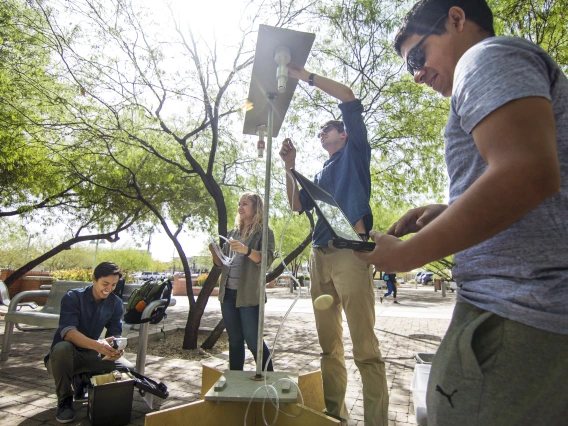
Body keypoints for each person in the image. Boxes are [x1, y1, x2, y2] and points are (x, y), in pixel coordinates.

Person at [356, 0, 568, 424]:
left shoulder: (485, 56)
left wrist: (406, 255)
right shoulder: (503, 66)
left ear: (456, 19)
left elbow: (526, 173)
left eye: (418, 55)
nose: (417, 74)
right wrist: (450, 210)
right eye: (409, 67)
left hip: (513, 314)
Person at [279, 63, 388, 425]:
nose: (322, 134)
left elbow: (347, 96)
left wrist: (302, 75)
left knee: (365, 350)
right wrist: (290, 168)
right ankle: (334, 416)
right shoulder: (322, 174)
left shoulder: (356, 152)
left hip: (349, 254)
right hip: (319, 258)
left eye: (328, 130)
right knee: (330, 348)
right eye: (320, 132)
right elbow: (296, 205)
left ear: (343, 135)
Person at [45, 262, 129, 424]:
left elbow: (114, 334)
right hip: (62, 359)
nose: (109, 289)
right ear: (94, 279)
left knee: (126, 370)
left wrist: (115, 348)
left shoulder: (116, 303)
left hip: (90, 356)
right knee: (63, 348)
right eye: (105, 284)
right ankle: (64, 400)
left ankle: (82, 379)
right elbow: (68, 333)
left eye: (114, 285)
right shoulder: (73, 297)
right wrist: (98, 345)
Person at [210, 192, 275, 372]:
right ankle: (235, 381)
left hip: (249, 295)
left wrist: (246, 250)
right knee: (235, 340)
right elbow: (220, 263)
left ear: (256, 207)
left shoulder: (264, 232)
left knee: (254, 341)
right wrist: (214, 252)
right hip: (228, 294)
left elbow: (267, 260)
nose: (240, 207)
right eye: (239, 204)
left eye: (245, 204)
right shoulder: (233, 233)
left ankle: (269, 378)